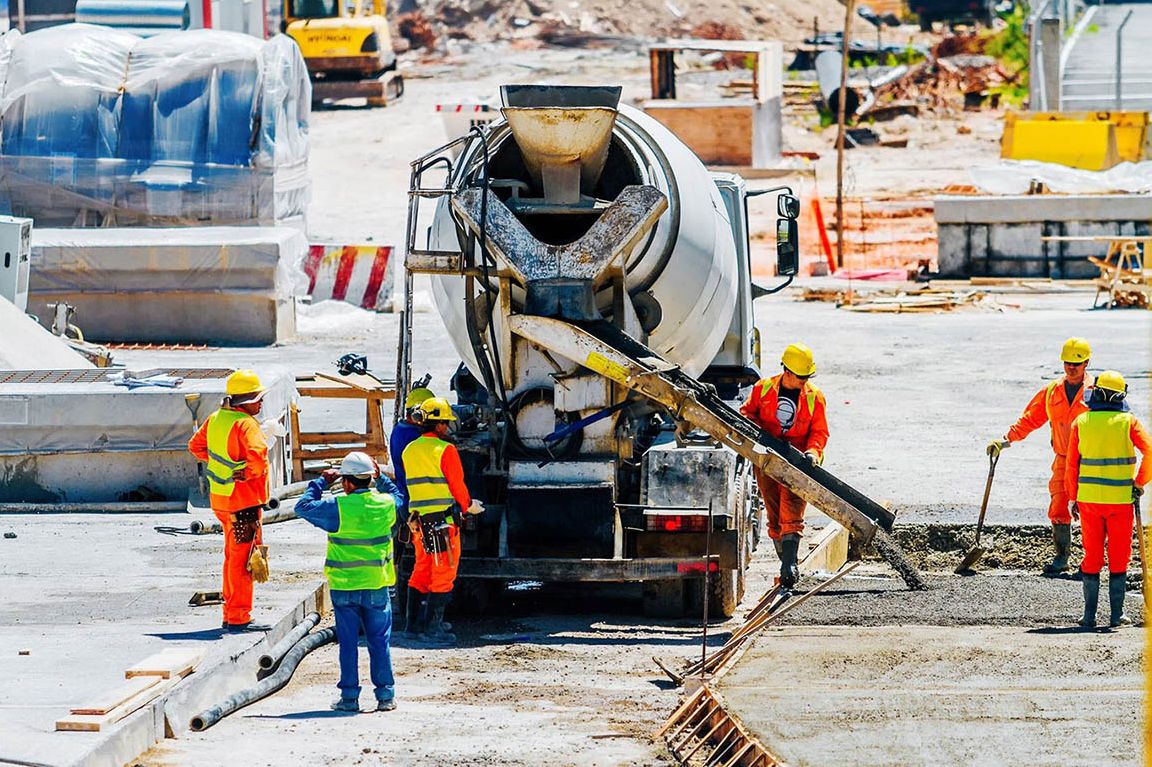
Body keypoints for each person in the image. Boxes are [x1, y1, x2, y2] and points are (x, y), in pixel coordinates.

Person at [296, 451, 403, 712]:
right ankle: (385, 696)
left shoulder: (337, 507)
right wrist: (383, 479)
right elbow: (401, 497)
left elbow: (303, 507)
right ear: (370, 478)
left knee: (348, 644)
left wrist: (321, 482)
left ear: (345, 482)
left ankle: (349, 698)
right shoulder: (385, 505)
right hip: (377, 585)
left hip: (344, 587)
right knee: (379, 642)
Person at [988, 337, 1093, 575]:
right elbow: (1031, 418)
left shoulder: (1096, 392)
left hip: (1088, 461)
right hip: (1063, 459)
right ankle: (1061, 558)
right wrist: (1006, 440)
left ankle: (1090, 562)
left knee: (1088, 510)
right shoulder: (1051, 392)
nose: (1071, 367)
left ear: (1086, 362)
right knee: (1058, 506)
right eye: (1067, 362)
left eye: (1076, 363)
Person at [1065, 371, 1152, 629]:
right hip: (1120, 501)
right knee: (1119, 556)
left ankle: (1089, 616)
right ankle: (1117, 615)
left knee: (1091, 557)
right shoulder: (1129, 422)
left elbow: (1072, 466)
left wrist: (1073, 498)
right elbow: (1150, 453)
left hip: (1089, 501)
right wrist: (1139, 483)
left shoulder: (1081, 421)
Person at [188, 369, 272, 633]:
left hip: (221, 501)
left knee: (231, 557)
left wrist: (223, 468)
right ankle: (238, 617)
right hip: (243, 503)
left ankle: (231, 612)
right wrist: (245, 472)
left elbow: (195, 446)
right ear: (247, 401)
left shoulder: (216, 419)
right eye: (258, 398)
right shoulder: (246, 424)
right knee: (243, 560)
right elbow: (258, 458)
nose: (260, 403)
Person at [739, 343, 829, 589]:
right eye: (801, 377)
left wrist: (812, 452)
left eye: (806, 377)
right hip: (768, 460)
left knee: (792, 509)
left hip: (797, 462)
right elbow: (747, 414)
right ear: (787, 372)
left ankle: (789, 564)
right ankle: (785, 561)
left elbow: (819, 432)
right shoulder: (763, 389)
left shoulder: (814, 397)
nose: (804, 381)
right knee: (774, 512)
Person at [401, 396, 484, 646]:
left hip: (417, 522)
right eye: (445, 423)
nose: (447, 428)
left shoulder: (410, 449)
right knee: (443, 573)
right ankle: (433, 629)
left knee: (421, 570)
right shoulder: (445, 450)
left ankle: (413, 626)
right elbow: (457, 485)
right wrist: (470, 506)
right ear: (437, 425)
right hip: (442, 524)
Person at [388, 386, 434, 636]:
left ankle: (410, 616)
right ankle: (414, 618)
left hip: (408, 500)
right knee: (419, 561)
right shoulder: (411, 437)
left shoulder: (401, 431)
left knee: (411, 560)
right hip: (414, 503)